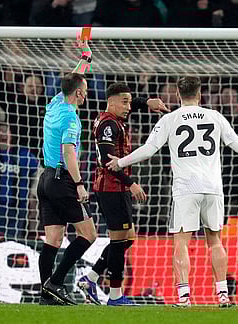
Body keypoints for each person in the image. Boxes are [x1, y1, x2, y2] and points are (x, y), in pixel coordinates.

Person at [106, 76, 238, 307]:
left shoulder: (170, 119)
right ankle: (223, 294)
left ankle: (184, 297)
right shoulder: (214, 116)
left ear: (178, 94)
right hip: (213, 188)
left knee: (181, 243)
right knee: (215, 241)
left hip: (186, 189)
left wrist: (121, 162)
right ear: (200, 95)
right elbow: (236, 144)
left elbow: (149, 149)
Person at [77, 82, 169, 306]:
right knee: (119, 241)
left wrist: (146, 102)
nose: (129, 106)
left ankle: (91, 278)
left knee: (127, 239)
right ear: (112, 101)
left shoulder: (112, 118)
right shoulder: (108, 125)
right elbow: (108, 162)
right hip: (112, 188)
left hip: (115, 188)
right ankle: (115, 295)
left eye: (130, 101)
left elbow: (131, 103)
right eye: (124, 102)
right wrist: (132, 183)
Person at [37, 40, 97, 306]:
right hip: (63, 180)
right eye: (84, 91)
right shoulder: (71, 118)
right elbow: (69, 153)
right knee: (89, 234)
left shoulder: (55, 103)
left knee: (53, 238)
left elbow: (75, 78)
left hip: (46, 178)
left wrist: (85, 56)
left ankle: (46, 294)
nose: (86, 94)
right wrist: (80, 184)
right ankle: (56, 283)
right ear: (79, 95)